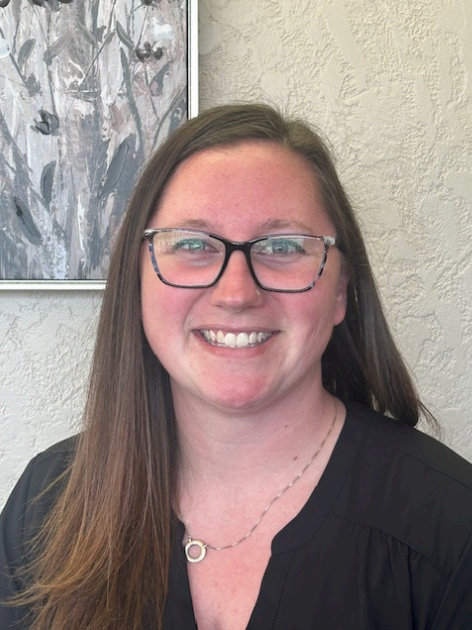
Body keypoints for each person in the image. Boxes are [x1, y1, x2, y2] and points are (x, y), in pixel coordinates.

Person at [1, 103, 472, 630]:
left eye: (283, 246)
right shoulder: (47, 505)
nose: (236, 293)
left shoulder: (451, 529)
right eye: (193, 245)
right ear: (138, 282)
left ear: (340, 290)